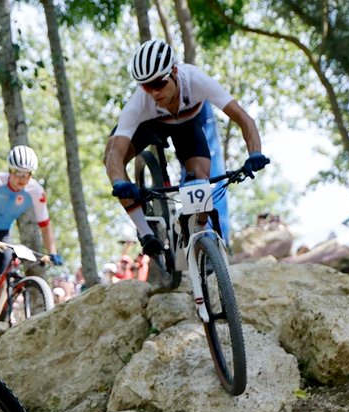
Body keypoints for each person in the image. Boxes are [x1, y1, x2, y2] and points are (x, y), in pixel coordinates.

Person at [105, 39, 269, 256]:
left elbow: (244, 119)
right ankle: (146, 233)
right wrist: (119, 181)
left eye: (159, 83)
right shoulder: (139, 103)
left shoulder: (196, 80)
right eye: (146, 86)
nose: (154, 92)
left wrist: (254, 153)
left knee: (201, 175)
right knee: (109, 156)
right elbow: (115, 154)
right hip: (148, 125)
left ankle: (200, 239)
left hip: (186, 123)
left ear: (174, 71)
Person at [0, 145, 63, 312]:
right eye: (17, 173)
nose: (21, 179)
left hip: (2, 233)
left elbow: (45, 225)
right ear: (10, 170)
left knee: (4, 280)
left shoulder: (36, 192)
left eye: (26, 174)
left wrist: (53, 252)